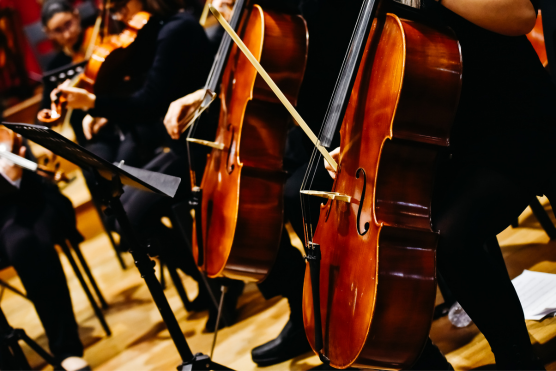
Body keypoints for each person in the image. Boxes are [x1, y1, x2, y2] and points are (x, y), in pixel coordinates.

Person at [322, 0, 555, 369]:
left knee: (451, 234)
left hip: (515, 120)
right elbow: (389, 69)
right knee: (420, 228)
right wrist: (353, 140)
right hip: (448, 138)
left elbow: (522, 16)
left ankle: (516, 358)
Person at [163, 0, 363, 365]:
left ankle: (347, 310)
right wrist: (203, 94)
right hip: (301, 125)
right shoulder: (259, 13)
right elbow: (251, 71)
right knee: (267, 205)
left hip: (339, 110)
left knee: (289, 195)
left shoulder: (281, 13)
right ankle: (304, 308)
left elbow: (312, 58)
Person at [55, 0, 217, 315]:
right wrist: (107, 110)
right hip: (172, 146)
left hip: (199, 149)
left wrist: (93, 102)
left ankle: (213, 277)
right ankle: (206, 274)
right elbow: (139, 89)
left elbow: (147, 103)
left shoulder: (176, 31)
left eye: (118, 7)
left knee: (130, 217)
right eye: (111, 10)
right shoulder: (155, 32)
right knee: (121, 215)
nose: (118, 16)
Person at [0, 130, 89, 371]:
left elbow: (30, 176)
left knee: (25, 243)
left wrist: (13, 177)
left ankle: (66, 349)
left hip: (28, 201)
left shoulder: (4, 137)